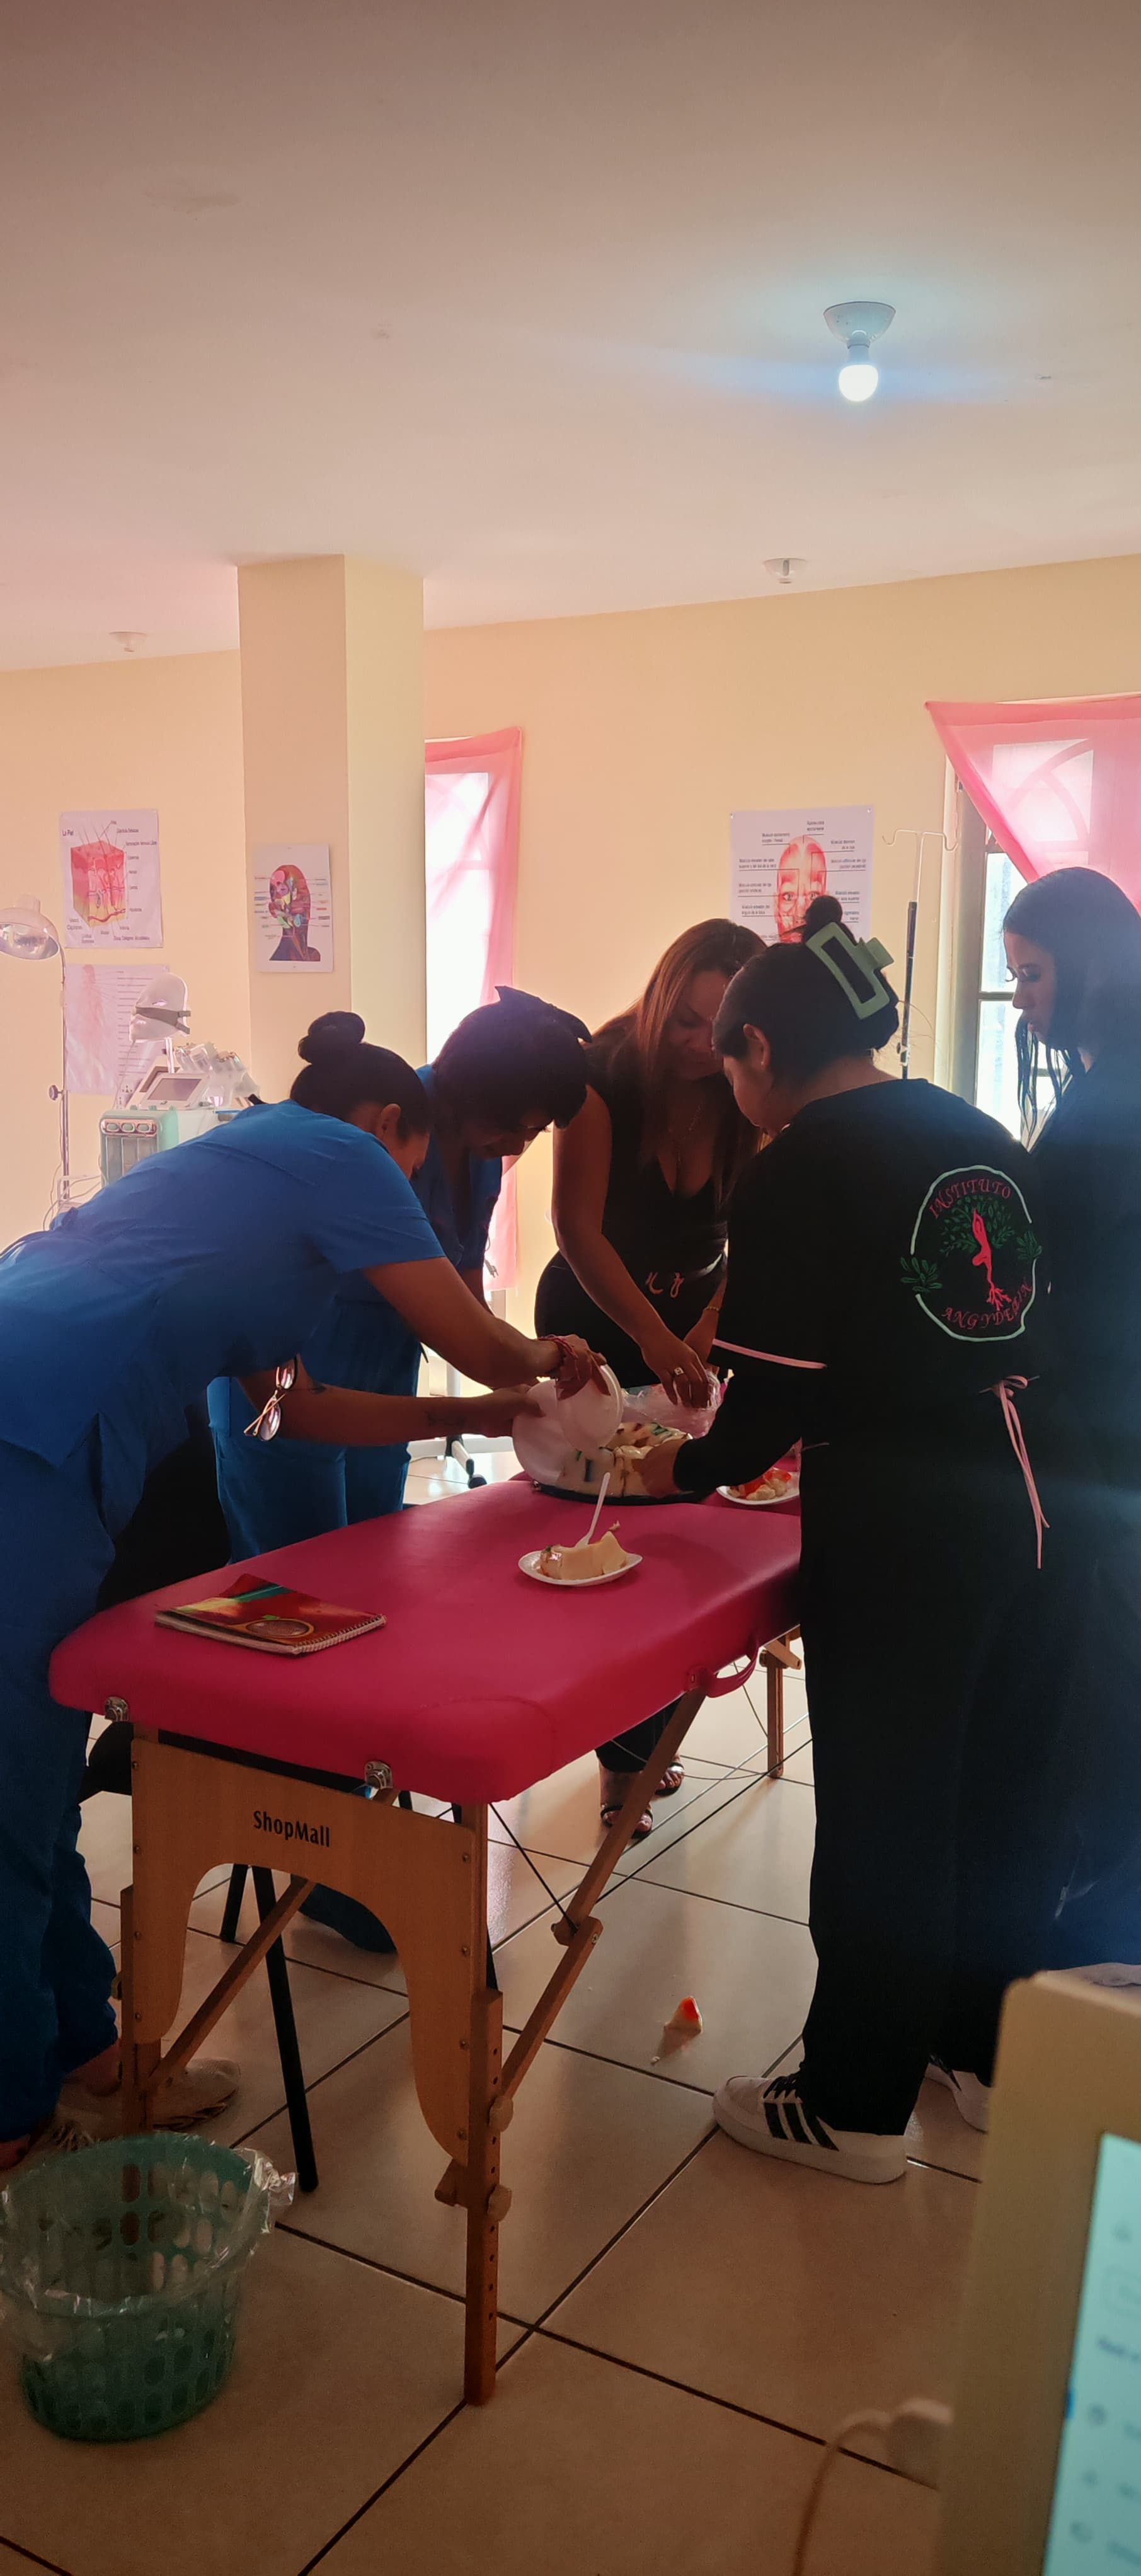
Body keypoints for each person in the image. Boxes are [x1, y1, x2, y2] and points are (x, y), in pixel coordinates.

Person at [0, 1024, 595, 2174]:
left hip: (57, 1437)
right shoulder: (339, 1153)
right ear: (389, 1128)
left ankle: (85, 2046)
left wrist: (472, 1421)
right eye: (419, 1171)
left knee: (38, 1766)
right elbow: (477, 1339)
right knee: (12, 1791)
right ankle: (15, 2119)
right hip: (29, 1432)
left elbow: (299, 1409)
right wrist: (546, 1360)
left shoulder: (249, 1187)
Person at [634, 896, 1067, 2184]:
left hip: (902, 1519)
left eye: (731, 1064)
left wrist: (676, 1466)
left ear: (760, 1048)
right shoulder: (976, 1131)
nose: (734, 1092)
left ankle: (855, 2103)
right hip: (1027, 1497)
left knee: (887, 1806)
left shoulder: (799, 1164)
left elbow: (765, 1402)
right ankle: (980, 2055)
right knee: (991, 1788)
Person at [211, 991, 590, 1557]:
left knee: (374, 1556)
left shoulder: (479, 1151)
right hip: (297, 1359)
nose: (516, 1146)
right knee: (298, 1571)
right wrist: (548, 1357)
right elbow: (462, 1334)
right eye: (517, 1127)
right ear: (472, 1095)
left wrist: (518, 1390)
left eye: (533, 1133)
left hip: (383, 1364)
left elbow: (464, 1296)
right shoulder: (373, 1137)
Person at [534, 919, 764, 1833]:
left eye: (722, 1028)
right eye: (686, 1023)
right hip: (595, 1318)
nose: (703, 1046)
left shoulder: (751, 1079)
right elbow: (576, 1230)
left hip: (688, 1321)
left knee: (674, 1528)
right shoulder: (602, 1075)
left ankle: (640, 1737)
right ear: (661, 999)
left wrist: (705, 1327)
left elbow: (759, 1231)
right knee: (597, 1524)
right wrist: (654, 1336)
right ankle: (617, 1756)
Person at [1004, 866, 1141, 1987]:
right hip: (1124, 1416)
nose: (1023, 1001)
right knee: (1102, 1658)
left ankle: (1107, 1930)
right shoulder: (1128, 1070)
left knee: (1103, 1672)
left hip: (1111, 1422)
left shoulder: (1132, 1092)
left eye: (1032, 975)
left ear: (1089, 965)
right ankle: (1099, 1913)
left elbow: (1117, 1278)